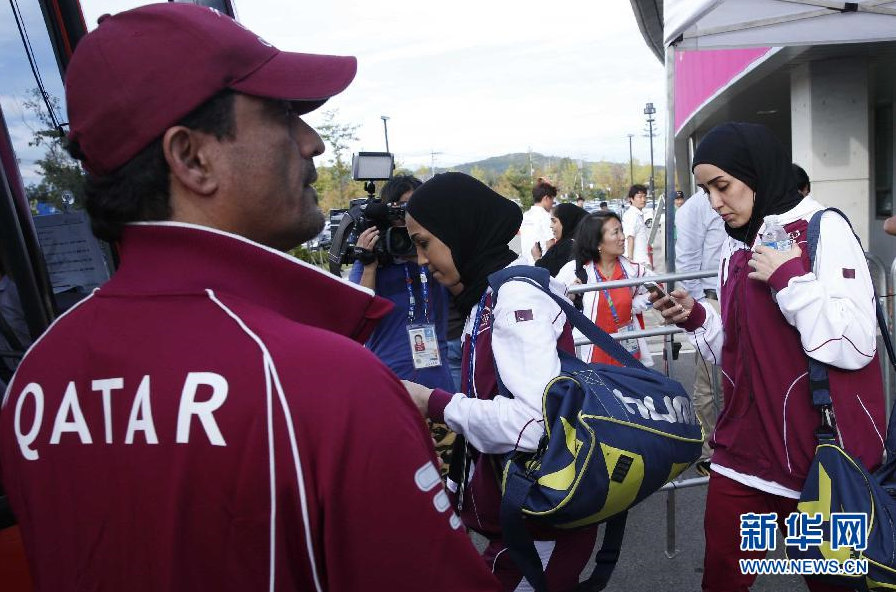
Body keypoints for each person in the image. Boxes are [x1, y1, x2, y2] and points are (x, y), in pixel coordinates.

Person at [0, 5, 499, 591]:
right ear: (191, 158)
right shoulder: (325, 381)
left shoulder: (36, 378)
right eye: (284, 114)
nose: (312, 142)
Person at [654, 122, 885, 592]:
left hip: (818, 458)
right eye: (705, 189)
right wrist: (698, 318)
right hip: (743, 455)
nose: (715, 202)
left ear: (755, 173)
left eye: (723, 186)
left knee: (833, 583)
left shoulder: (824, 228)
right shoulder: (734, 247)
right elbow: (741, 358)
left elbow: (856, 344)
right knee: (722, 577)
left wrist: (790, 280)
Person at [402, 172, 599, 591]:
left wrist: (433, 402)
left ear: (461, 229)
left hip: (538, 528)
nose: (422, 260)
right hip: (525, 522)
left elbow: (533, 424)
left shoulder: (513, 297)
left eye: (424, 244)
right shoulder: (489, 294)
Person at [349, 175, 454, 392]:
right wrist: (369, 265)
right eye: (401, 209)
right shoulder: (374, 259)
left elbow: (461, 291)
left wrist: (424, 255)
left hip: (438, 375)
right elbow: (358, 318)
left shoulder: (437, 250)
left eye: (415, 207)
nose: (407, 217)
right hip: (391, 376)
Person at [556, 212, 654, 367]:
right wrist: (570, 297)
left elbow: (657, 291)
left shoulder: (633, 270)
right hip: (591, 357)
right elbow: (552, 307)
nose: (623, 237)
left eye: (622, 230)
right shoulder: (574, 271)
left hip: (627, 355)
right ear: (597, 243)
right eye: (616, 232)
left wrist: (633, 306)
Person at [673, 188, 725, 475]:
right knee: (709, 384)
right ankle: (708, 452)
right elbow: (687, 261)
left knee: (736, 380)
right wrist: (696, 312)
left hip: (739, 293)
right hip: (710, 299)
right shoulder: (694, 209)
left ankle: (733, 444)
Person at [534, 202, 587, 277]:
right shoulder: (582, 244)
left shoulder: (567, 247)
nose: (551, 226)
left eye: (554, 221)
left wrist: (537, 258)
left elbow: (545, 275)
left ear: (567, 222)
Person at [520, 177, 557, 265]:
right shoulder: (545, 216)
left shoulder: (526, 215)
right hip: (541, 264)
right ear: (546, 198)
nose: (552, 203)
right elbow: (550, 244)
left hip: (526, 263)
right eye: (552, 200)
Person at [622, 184, 650, 268]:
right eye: (640, 197)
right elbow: (630, 237)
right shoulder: (631, 215)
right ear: (631, 199)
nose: (643, 199)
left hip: (641, 260)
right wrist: (630, 260)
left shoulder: (638, 214)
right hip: (637, 262)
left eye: (645, 196)